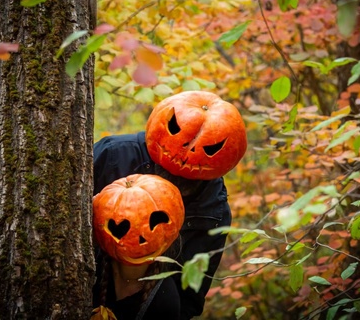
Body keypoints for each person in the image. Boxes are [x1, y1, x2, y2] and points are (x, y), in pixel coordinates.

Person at [92, 91, 247, 319]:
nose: (189, 150)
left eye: (210, 147)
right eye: (176, 128)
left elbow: (189, 299)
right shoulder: (113, 155)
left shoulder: (213, 210)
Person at [91, 174, 185, 320]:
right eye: (125, 227)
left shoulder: (165, 300)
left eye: (154, 223)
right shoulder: (92, 269)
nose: (141, 241)